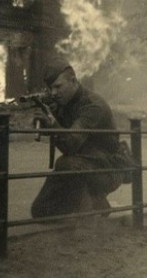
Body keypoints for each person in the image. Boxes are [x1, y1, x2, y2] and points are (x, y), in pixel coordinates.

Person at [30, 56, 129, 219]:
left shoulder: (92, 105)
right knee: (41, 211)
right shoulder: (64, 103)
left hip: (109, 169)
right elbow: (68, 144)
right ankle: (94, 204)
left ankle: (90, 208)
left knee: (65, 164)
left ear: (73, 81)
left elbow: (70, 145)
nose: (54, 93)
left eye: (58, 86)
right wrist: (47, 125)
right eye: (51, 88)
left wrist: (53, 123)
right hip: (84, 165)